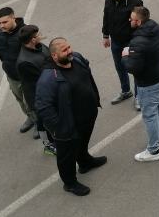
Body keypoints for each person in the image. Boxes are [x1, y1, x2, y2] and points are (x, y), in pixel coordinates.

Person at [36, 37, 107, 196]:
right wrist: (60, 128)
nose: (70, 52)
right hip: (68, 126)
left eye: (69, 47)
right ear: (54, 56)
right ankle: (69, 183)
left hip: (87, 116)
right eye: (64, 50)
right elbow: (43, 108)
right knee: (66, 156)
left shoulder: (77, 58)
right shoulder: (48, 78)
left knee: (82, 142)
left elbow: (87, 78)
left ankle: (84, 161)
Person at [122, 6, 159, 162]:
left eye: (131, 19)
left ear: (138, 21)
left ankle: (153, 150)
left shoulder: (137, 42)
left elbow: (132, 67)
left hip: (148, 84)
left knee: (149, 115)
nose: (129, 20)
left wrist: (125, 56)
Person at [102, 0, 144, 106]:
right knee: (120, 67)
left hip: (131, 41)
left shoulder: (135, 2)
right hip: (116, 41)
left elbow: (141, 22)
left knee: (135, 69)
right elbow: (106, 16)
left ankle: (139, 97)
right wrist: (105, 35)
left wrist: (138, 39)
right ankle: (126, 91)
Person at [16, 25, 57, 154]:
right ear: (32, 40)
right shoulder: (24, 62)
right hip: (38, 97)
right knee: (42, 122)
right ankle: (48, 145)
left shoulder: (40, 47)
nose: (41, 35)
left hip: (48, 91)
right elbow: (43, 75)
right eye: (38, 34)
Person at [0, 7, 36, 133]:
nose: (2, 26)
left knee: (32, 101)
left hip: (27, 76)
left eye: (5, 22)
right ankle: (31, 118)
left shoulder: (25, 32)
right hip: (12, 75)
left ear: (13, 18)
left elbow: (35, 53)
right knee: (20, 100)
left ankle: (40, 123)